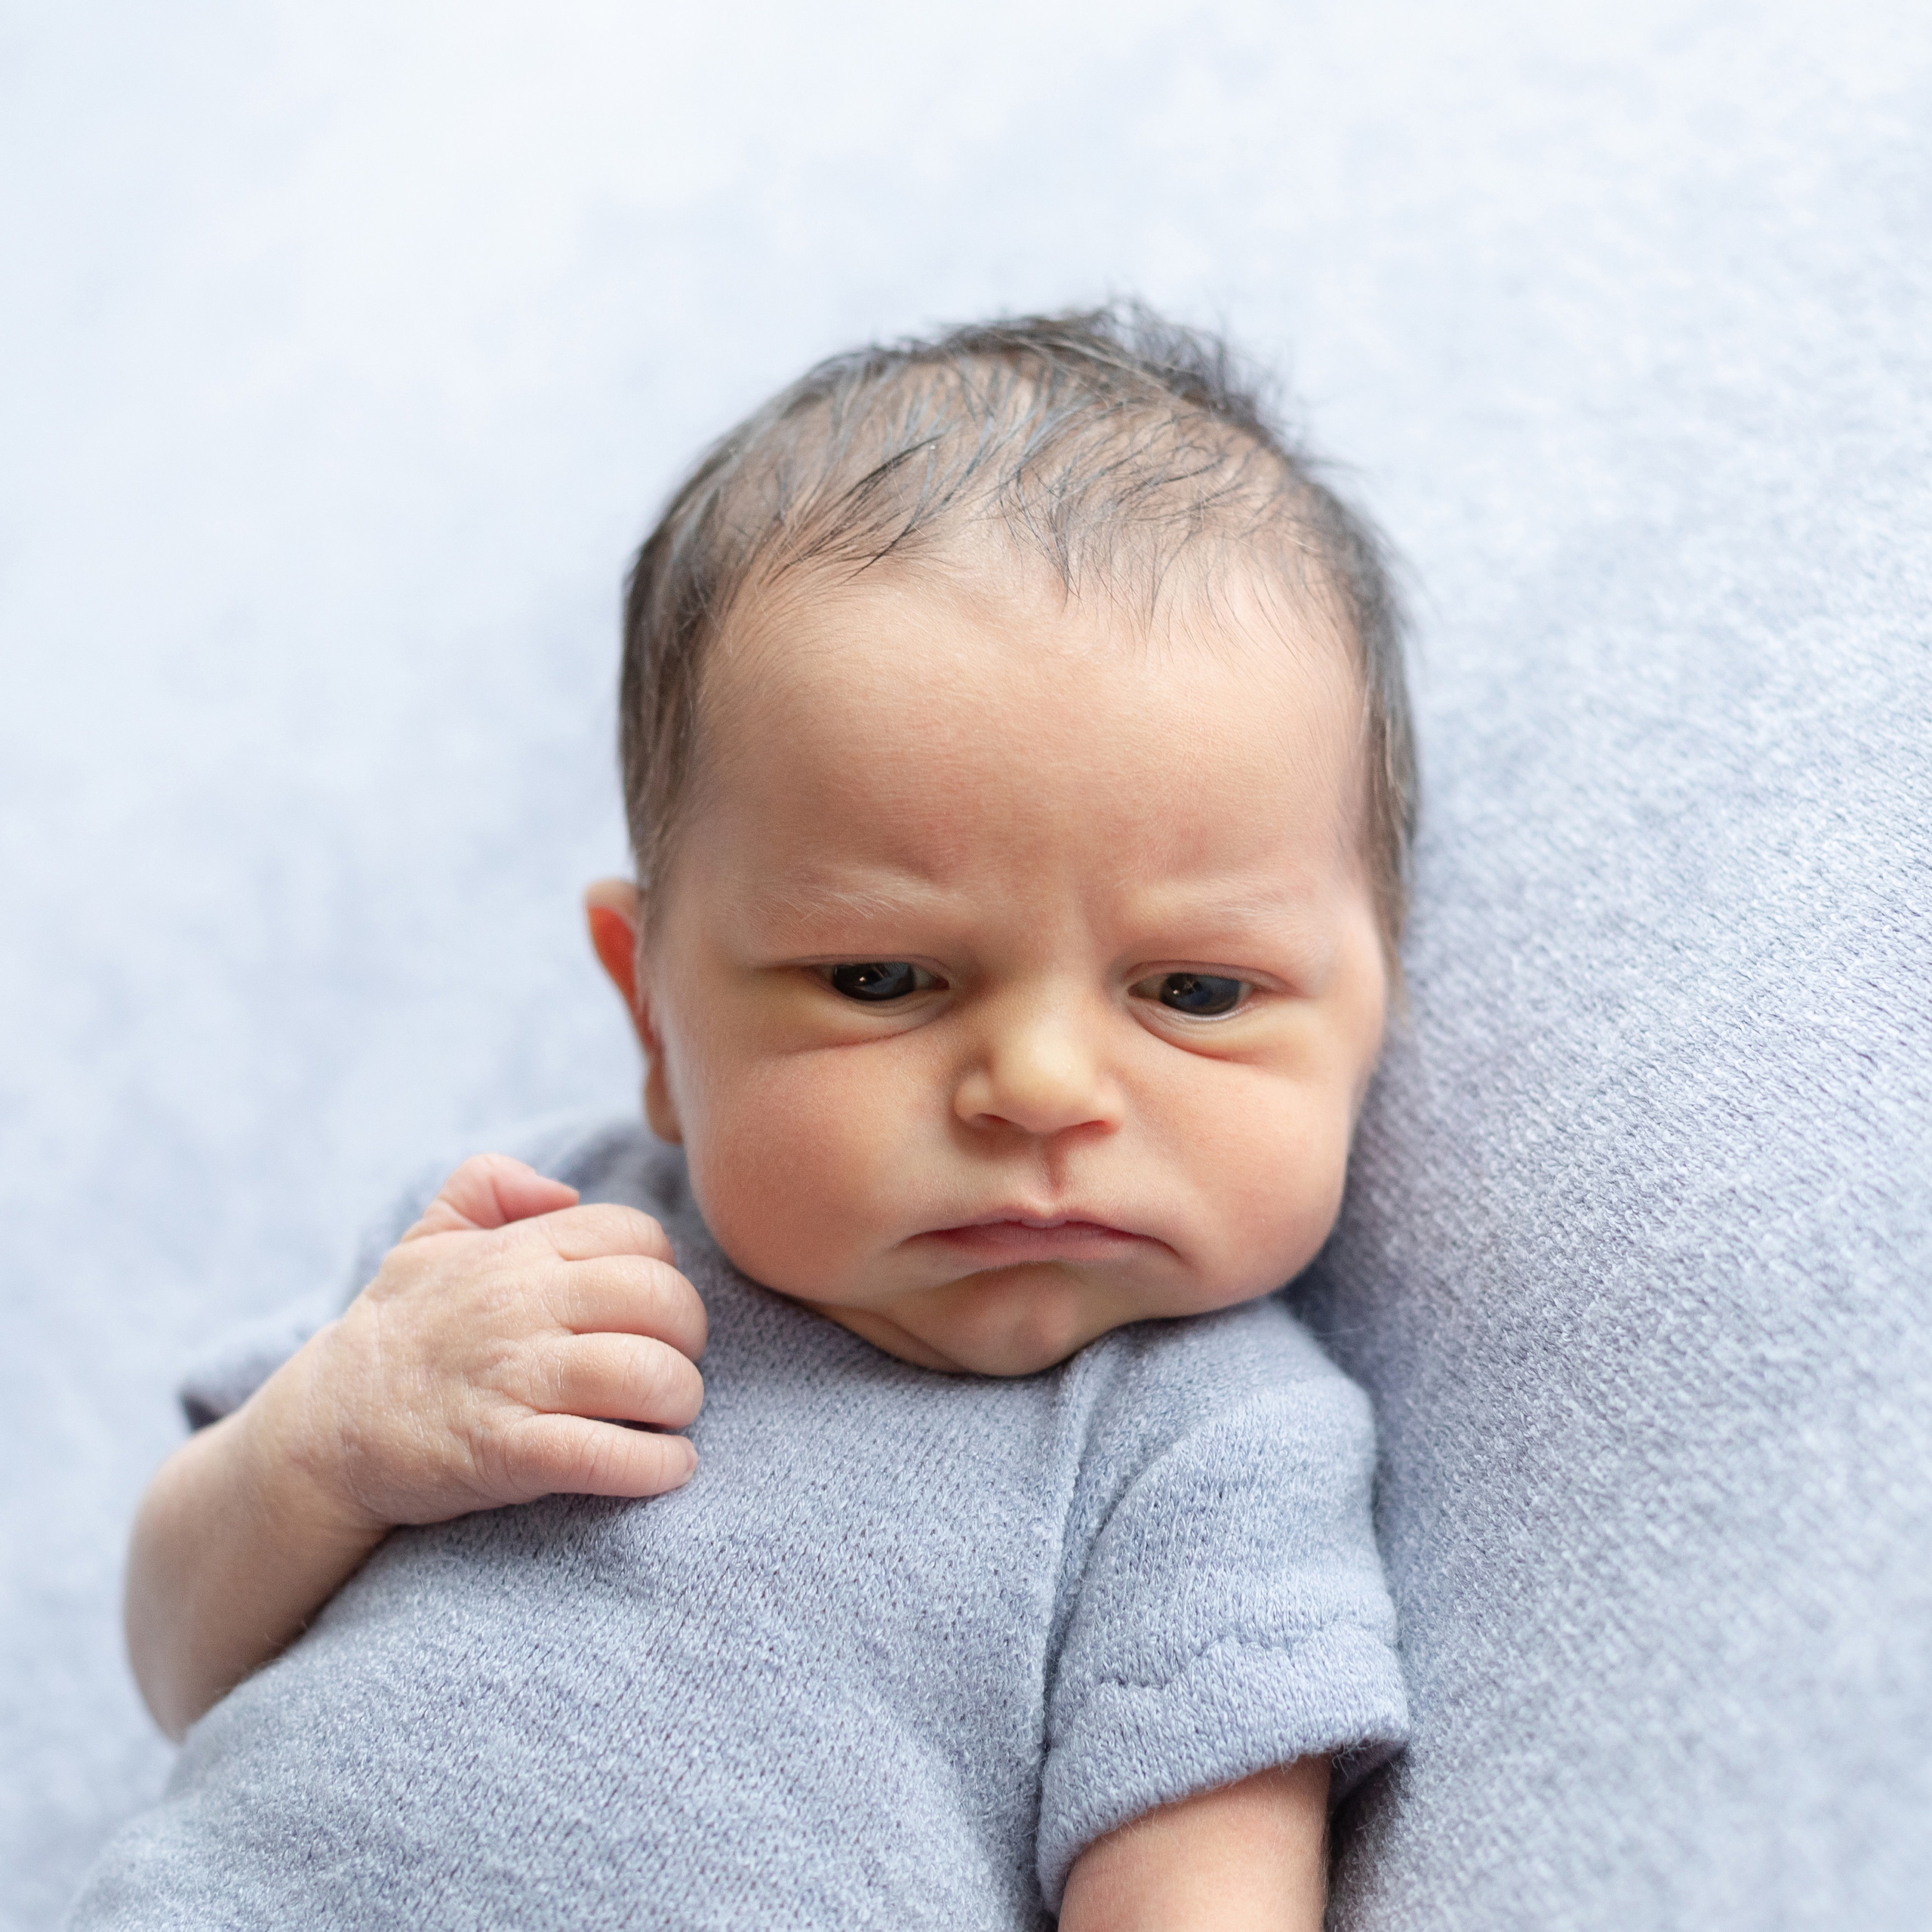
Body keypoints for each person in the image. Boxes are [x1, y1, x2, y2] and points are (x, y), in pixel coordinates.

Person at [73, 307, 1414, 1930]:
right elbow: (179, 1666)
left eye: (1195, 990)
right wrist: (325, 1442)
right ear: (652, 1012)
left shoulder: (1206, 1441)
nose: (1045, 1087)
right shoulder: (523, 1230)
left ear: (1374, 1013)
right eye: (881, 976)